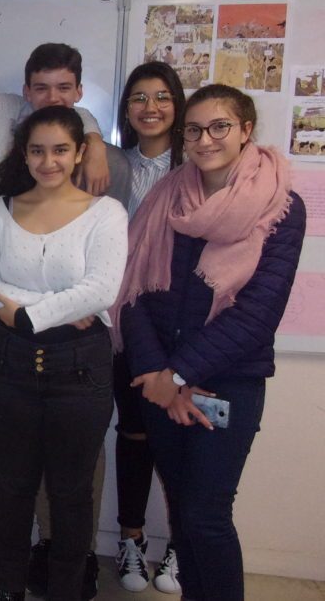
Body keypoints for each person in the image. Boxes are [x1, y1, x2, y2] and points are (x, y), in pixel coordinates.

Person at [114, 84, 305, 601]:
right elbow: (132, 293)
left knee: (206, 517)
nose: (205, 139)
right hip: (160, 386)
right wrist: (157, 375)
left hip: (227, 387)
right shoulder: (162, 199)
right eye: (194, 129)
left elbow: (257, 315)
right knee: (182, 511)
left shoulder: (282, 207)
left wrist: (177, 375)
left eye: (219, 126)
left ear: (246, 131)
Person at [0, 106, 127, 601]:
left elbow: (101, 289)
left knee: (72, 492)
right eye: (37, 150)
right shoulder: (1, 209)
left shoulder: (107, 213)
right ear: (24, 153)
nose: (49, 161)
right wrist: (43, 311)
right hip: (10, 365)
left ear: (80, 152)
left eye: (60, 149)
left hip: (80, 370)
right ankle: (9, 590)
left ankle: (65, 591)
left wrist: (22, 308)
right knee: (13, 487)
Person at [21, 42, 132, 600]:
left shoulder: (109, 162)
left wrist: (93, 142)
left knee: (80, 455)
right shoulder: (21, 156)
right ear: (26, 92)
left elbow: (115, 254)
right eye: (42, 88)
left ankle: (80, 550)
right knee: (36, 449)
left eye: (64, 88)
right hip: (29, 329)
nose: (53, 97)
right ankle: (46, 544)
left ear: (80, 93)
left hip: (87, 331)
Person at [111, 61, 186, 594]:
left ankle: (182, 544)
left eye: (162, 96)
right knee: (134, 434)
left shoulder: (197, 167)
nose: (150, 107)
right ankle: (130, 541)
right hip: (122, 323)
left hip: (183, 329)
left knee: (183, 438)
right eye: (139, 97)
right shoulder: (112, 166)